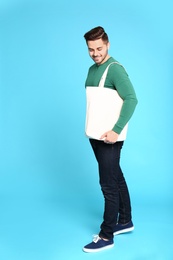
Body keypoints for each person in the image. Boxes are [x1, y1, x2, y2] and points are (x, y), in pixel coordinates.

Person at [82, 26, 138, 253]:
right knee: (116, 176)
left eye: (99, 48)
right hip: (94, 135)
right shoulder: (91, 69)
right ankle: (125, 220)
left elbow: (132, 99)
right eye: (90, 49)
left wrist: (116, 130)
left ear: (108, 44)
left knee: (108, 185)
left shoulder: (115, 69)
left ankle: (107, 235)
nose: (95, 53)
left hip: (109, 139)